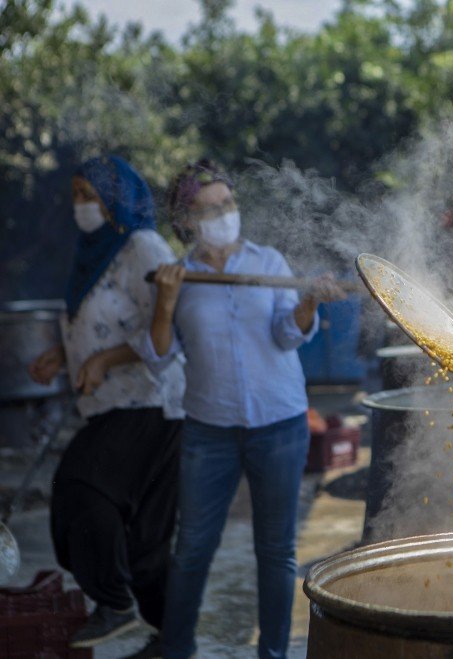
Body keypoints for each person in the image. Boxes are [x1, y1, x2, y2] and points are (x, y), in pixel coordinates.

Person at [137, 160, 342, 659]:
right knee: (191, 550)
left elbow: (285, 334)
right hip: (209, 431)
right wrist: (165, 303)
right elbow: (159, 356)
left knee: (276, 553)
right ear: (186, 221)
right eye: (207, 208)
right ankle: (176, 648)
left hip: (280, 425)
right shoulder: (177, 276)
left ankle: (272, 654)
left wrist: (309, 301)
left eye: (226, 203)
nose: (222, 214)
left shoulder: (268, 263)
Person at [27, 155, 185, 656]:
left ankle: (114, 604)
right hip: (112, 405)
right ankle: (171, 638)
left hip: (152, 403)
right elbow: (101, 321)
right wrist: (64, 354)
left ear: (116, 201)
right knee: (144, 544)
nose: (80, 206)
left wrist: (103, 359)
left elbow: (167, 334)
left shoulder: (142, 246)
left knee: (80, 489)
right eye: (75, 194)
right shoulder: (91, 252)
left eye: (89, 196)